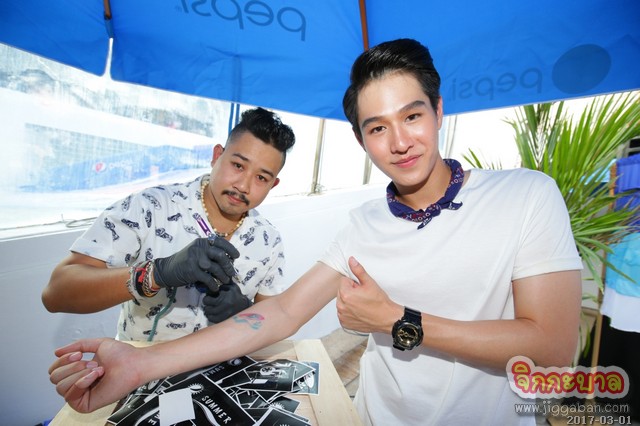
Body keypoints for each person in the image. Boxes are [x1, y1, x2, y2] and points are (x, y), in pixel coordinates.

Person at [48, 38, 582, 425]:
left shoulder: (525, 195)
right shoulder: (365, 224)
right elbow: (281, 312)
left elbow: (554, 348)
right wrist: (141, 362)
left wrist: (398, 321)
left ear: (439, 111)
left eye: (412, 116)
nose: (400, 142)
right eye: (377, 128)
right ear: (362, 141)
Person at [42, 107, 296, 341]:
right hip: (138, 367)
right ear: (217, 156)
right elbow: (56, 293)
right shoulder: (150, 207)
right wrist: (156, 274)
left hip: (222, 370)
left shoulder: (269, 240)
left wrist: (245, 312)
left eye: (261, 178)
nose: (243, 185)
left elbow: (273, 325)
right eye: (238, 165)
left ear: (273, 184)